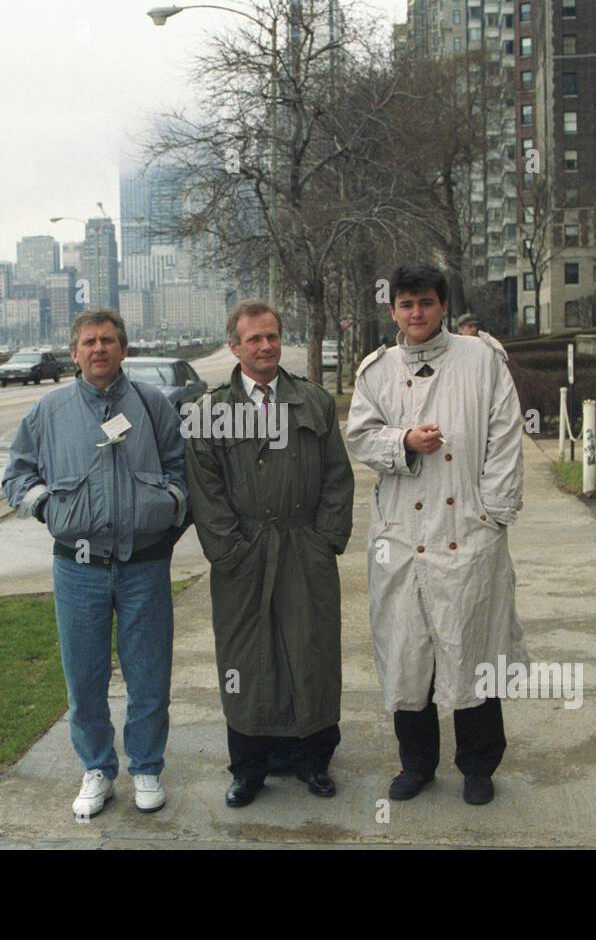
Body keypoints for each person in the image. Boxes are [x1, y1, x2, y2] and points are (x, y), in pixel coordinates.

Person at [346, 264, 526, 807]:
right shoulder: (376, 370)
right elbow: (359, 435)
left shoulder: (482, 360)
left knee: (473, 647)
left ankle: (478, 766)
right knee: (408, 651)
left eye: (425, 302)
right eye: (406, 304)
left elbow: (505, 438)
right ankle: (416, 764)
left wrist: (491, 516)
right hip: (401, 534)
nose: (416, 313)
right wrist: (403, 440)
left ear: (442, 305)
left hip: (466, 531)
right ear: (393, 310)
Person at [1, 308, 188, 819]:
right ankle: (98, 769)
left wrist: (169, 503)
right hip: (78, 567)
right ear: (75, 352)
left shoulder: (153, 404)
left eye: (108, 340)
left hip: (144, 564)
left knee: (148, 673)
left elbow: (182, 467)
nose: (99, 348)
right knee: (84, 678)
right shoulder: (49, 410)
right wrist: (46, 505)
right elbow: (16, 475)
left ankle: (146, 768)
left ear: (124, 349)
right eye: (89, 342)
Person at [185, 299, 355, 808]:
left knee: (311, 652)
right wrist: (230, 553)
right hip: (245, 553)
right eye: (254, 339)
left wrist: (325, 541)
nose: (265, 346)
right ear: (233, 347)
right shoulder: (210, 411)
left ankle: (313, 760)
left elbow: (336, 479)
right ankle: (250, 766)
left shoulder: (314, 402)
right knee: (247, 658)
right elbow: (205, 492)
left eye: (272, 336)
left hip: (304, 547)